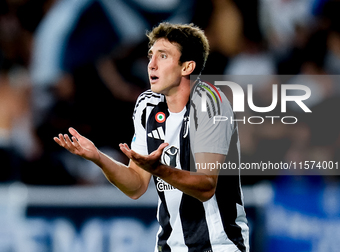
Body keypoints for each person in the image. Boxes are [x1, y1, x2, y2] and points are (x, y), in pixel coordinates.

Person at [54, 22, 249, 252]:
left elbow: (206, 186)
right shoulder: (147, 105)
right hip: (168, 247)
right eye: (150, 56)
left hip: (218, 246)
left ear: (187, 67)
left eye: (163, 56)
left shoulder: (211, 103)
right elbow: (136, 186)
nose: (151, 65)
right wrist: (98, 158)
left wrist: (159, 169)